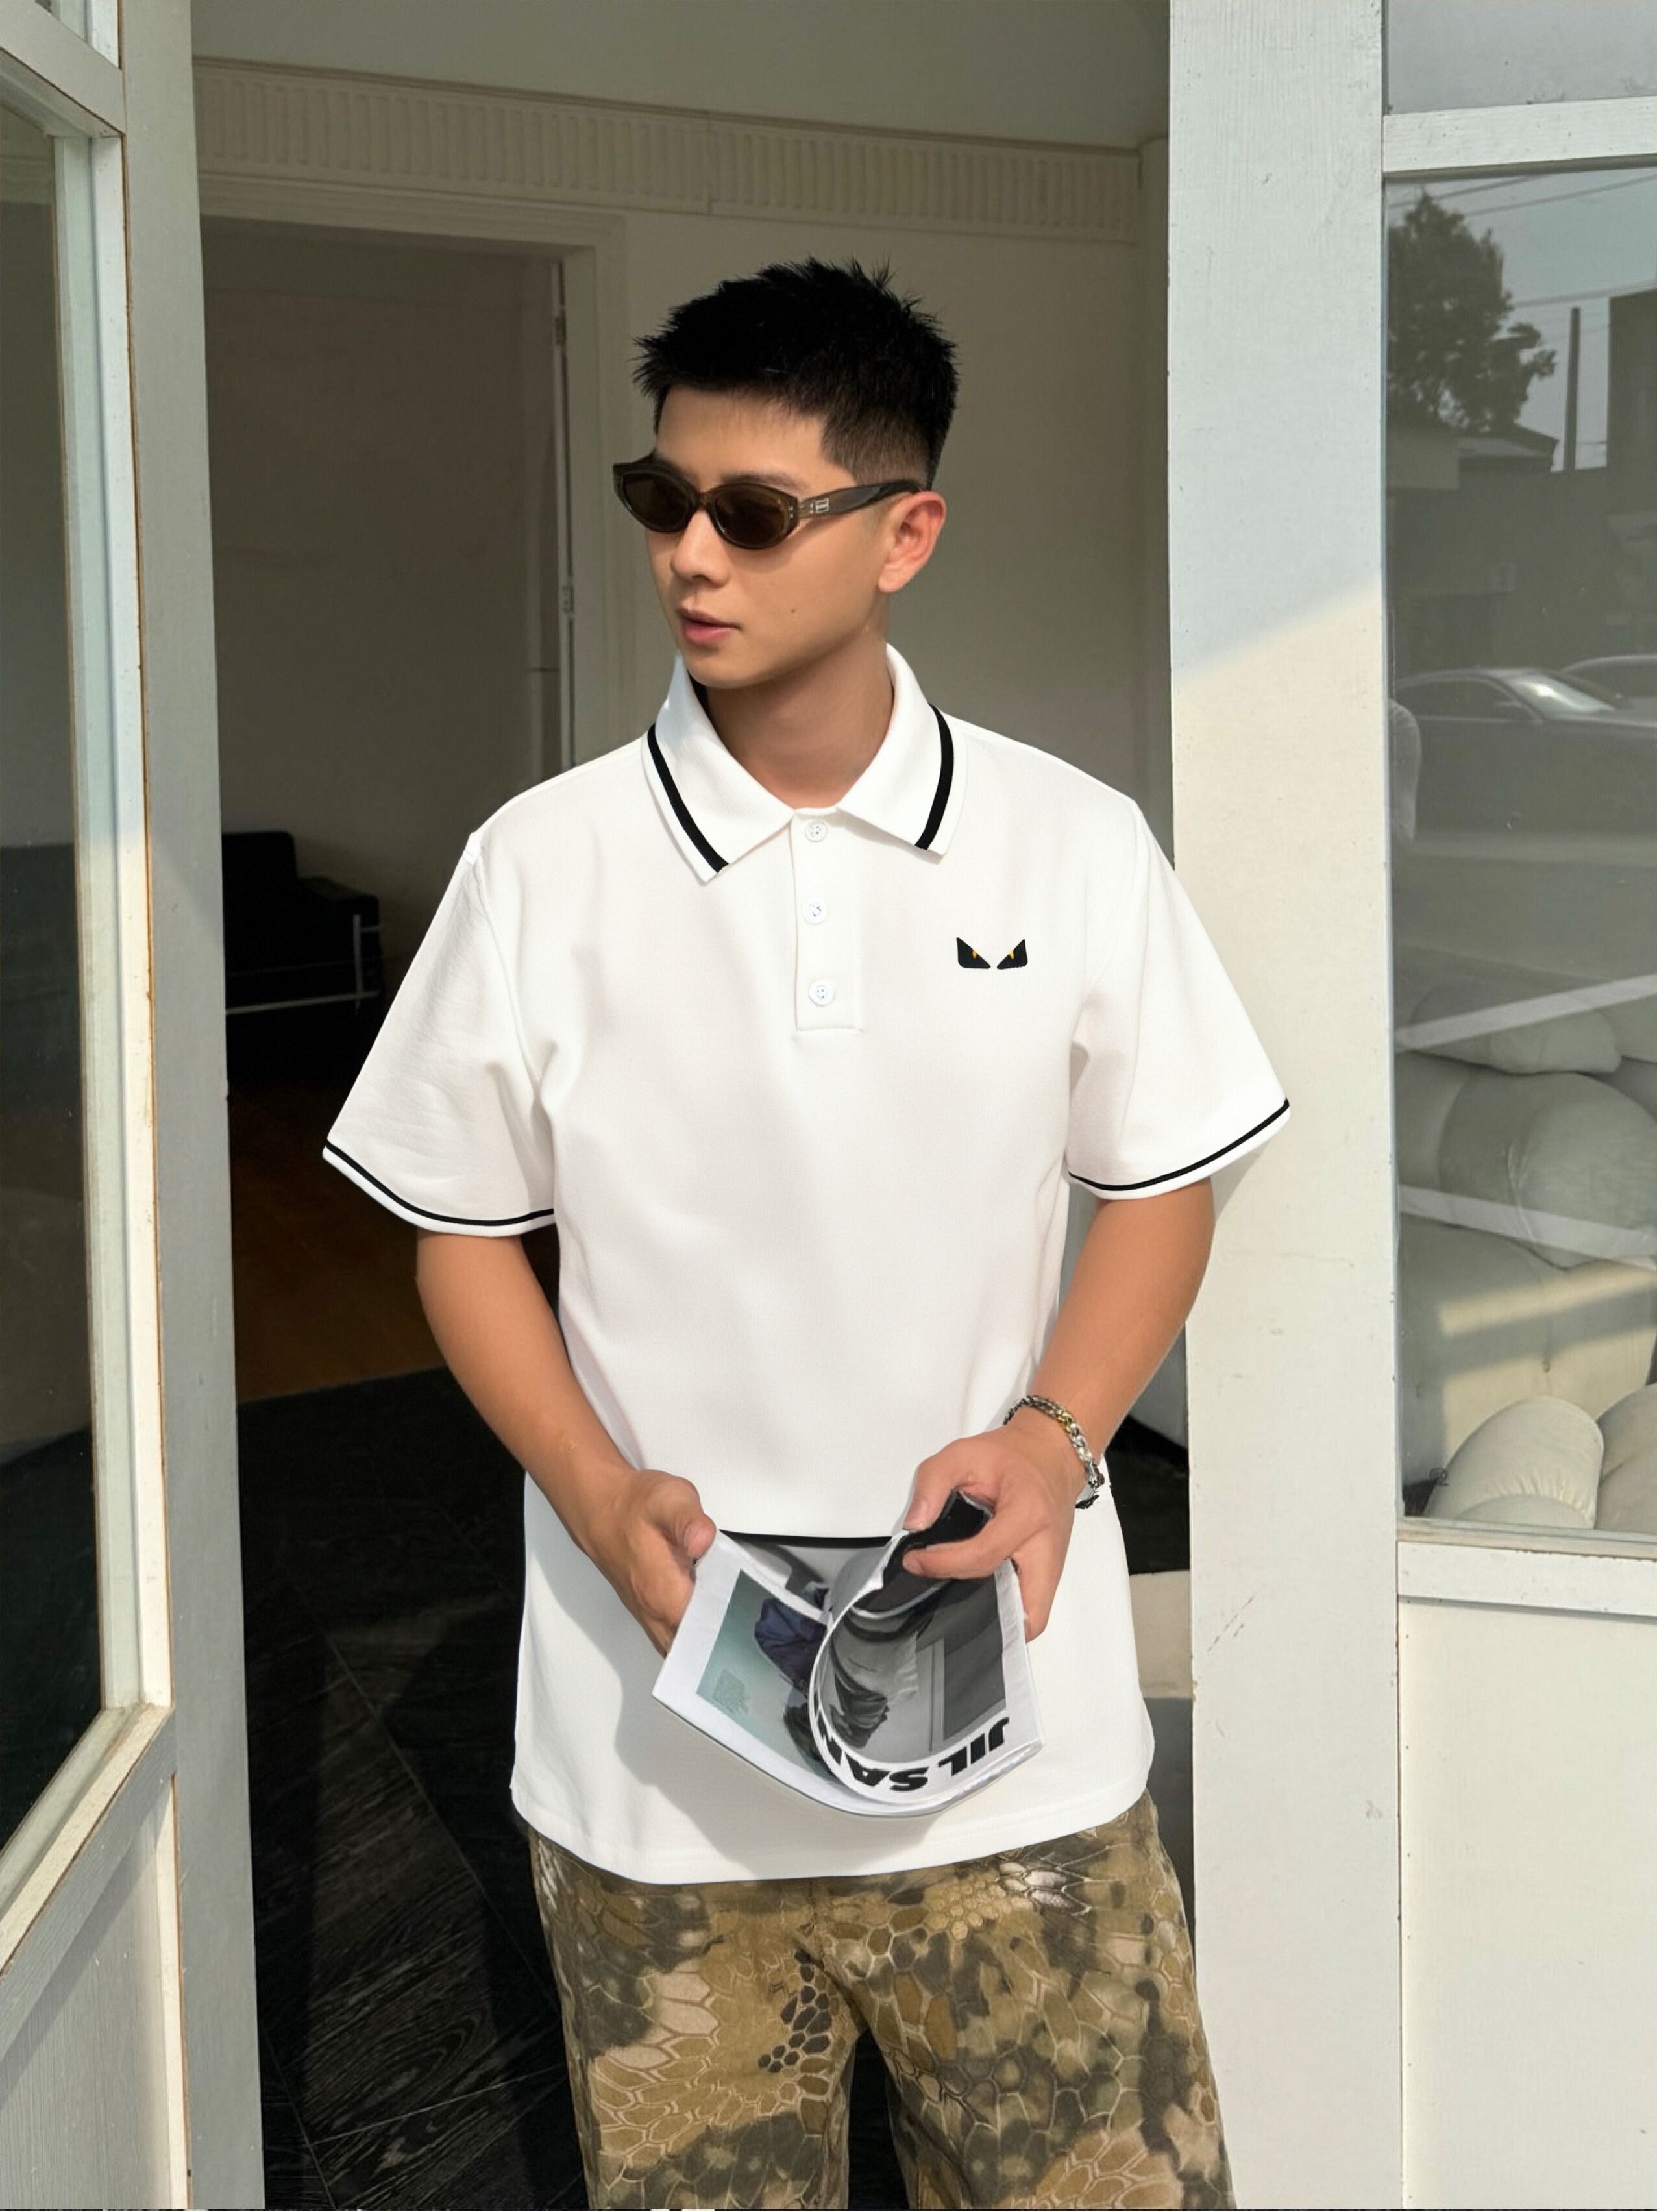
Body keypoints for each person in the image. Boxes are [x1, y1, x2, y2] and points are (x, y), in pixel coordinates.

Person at [323, 255, 1290, 2210]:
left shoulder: (1071, 843)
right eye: (659, 498)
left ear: (902, 534)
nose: (689, 554)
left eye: (751, 513)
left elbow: (1158, 1180)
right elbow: (463, 1234)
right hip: (653, 1771)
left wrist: (1054, 1436)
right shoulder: (541, 867)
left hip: (1028, 1762)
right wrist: (595, 1493)